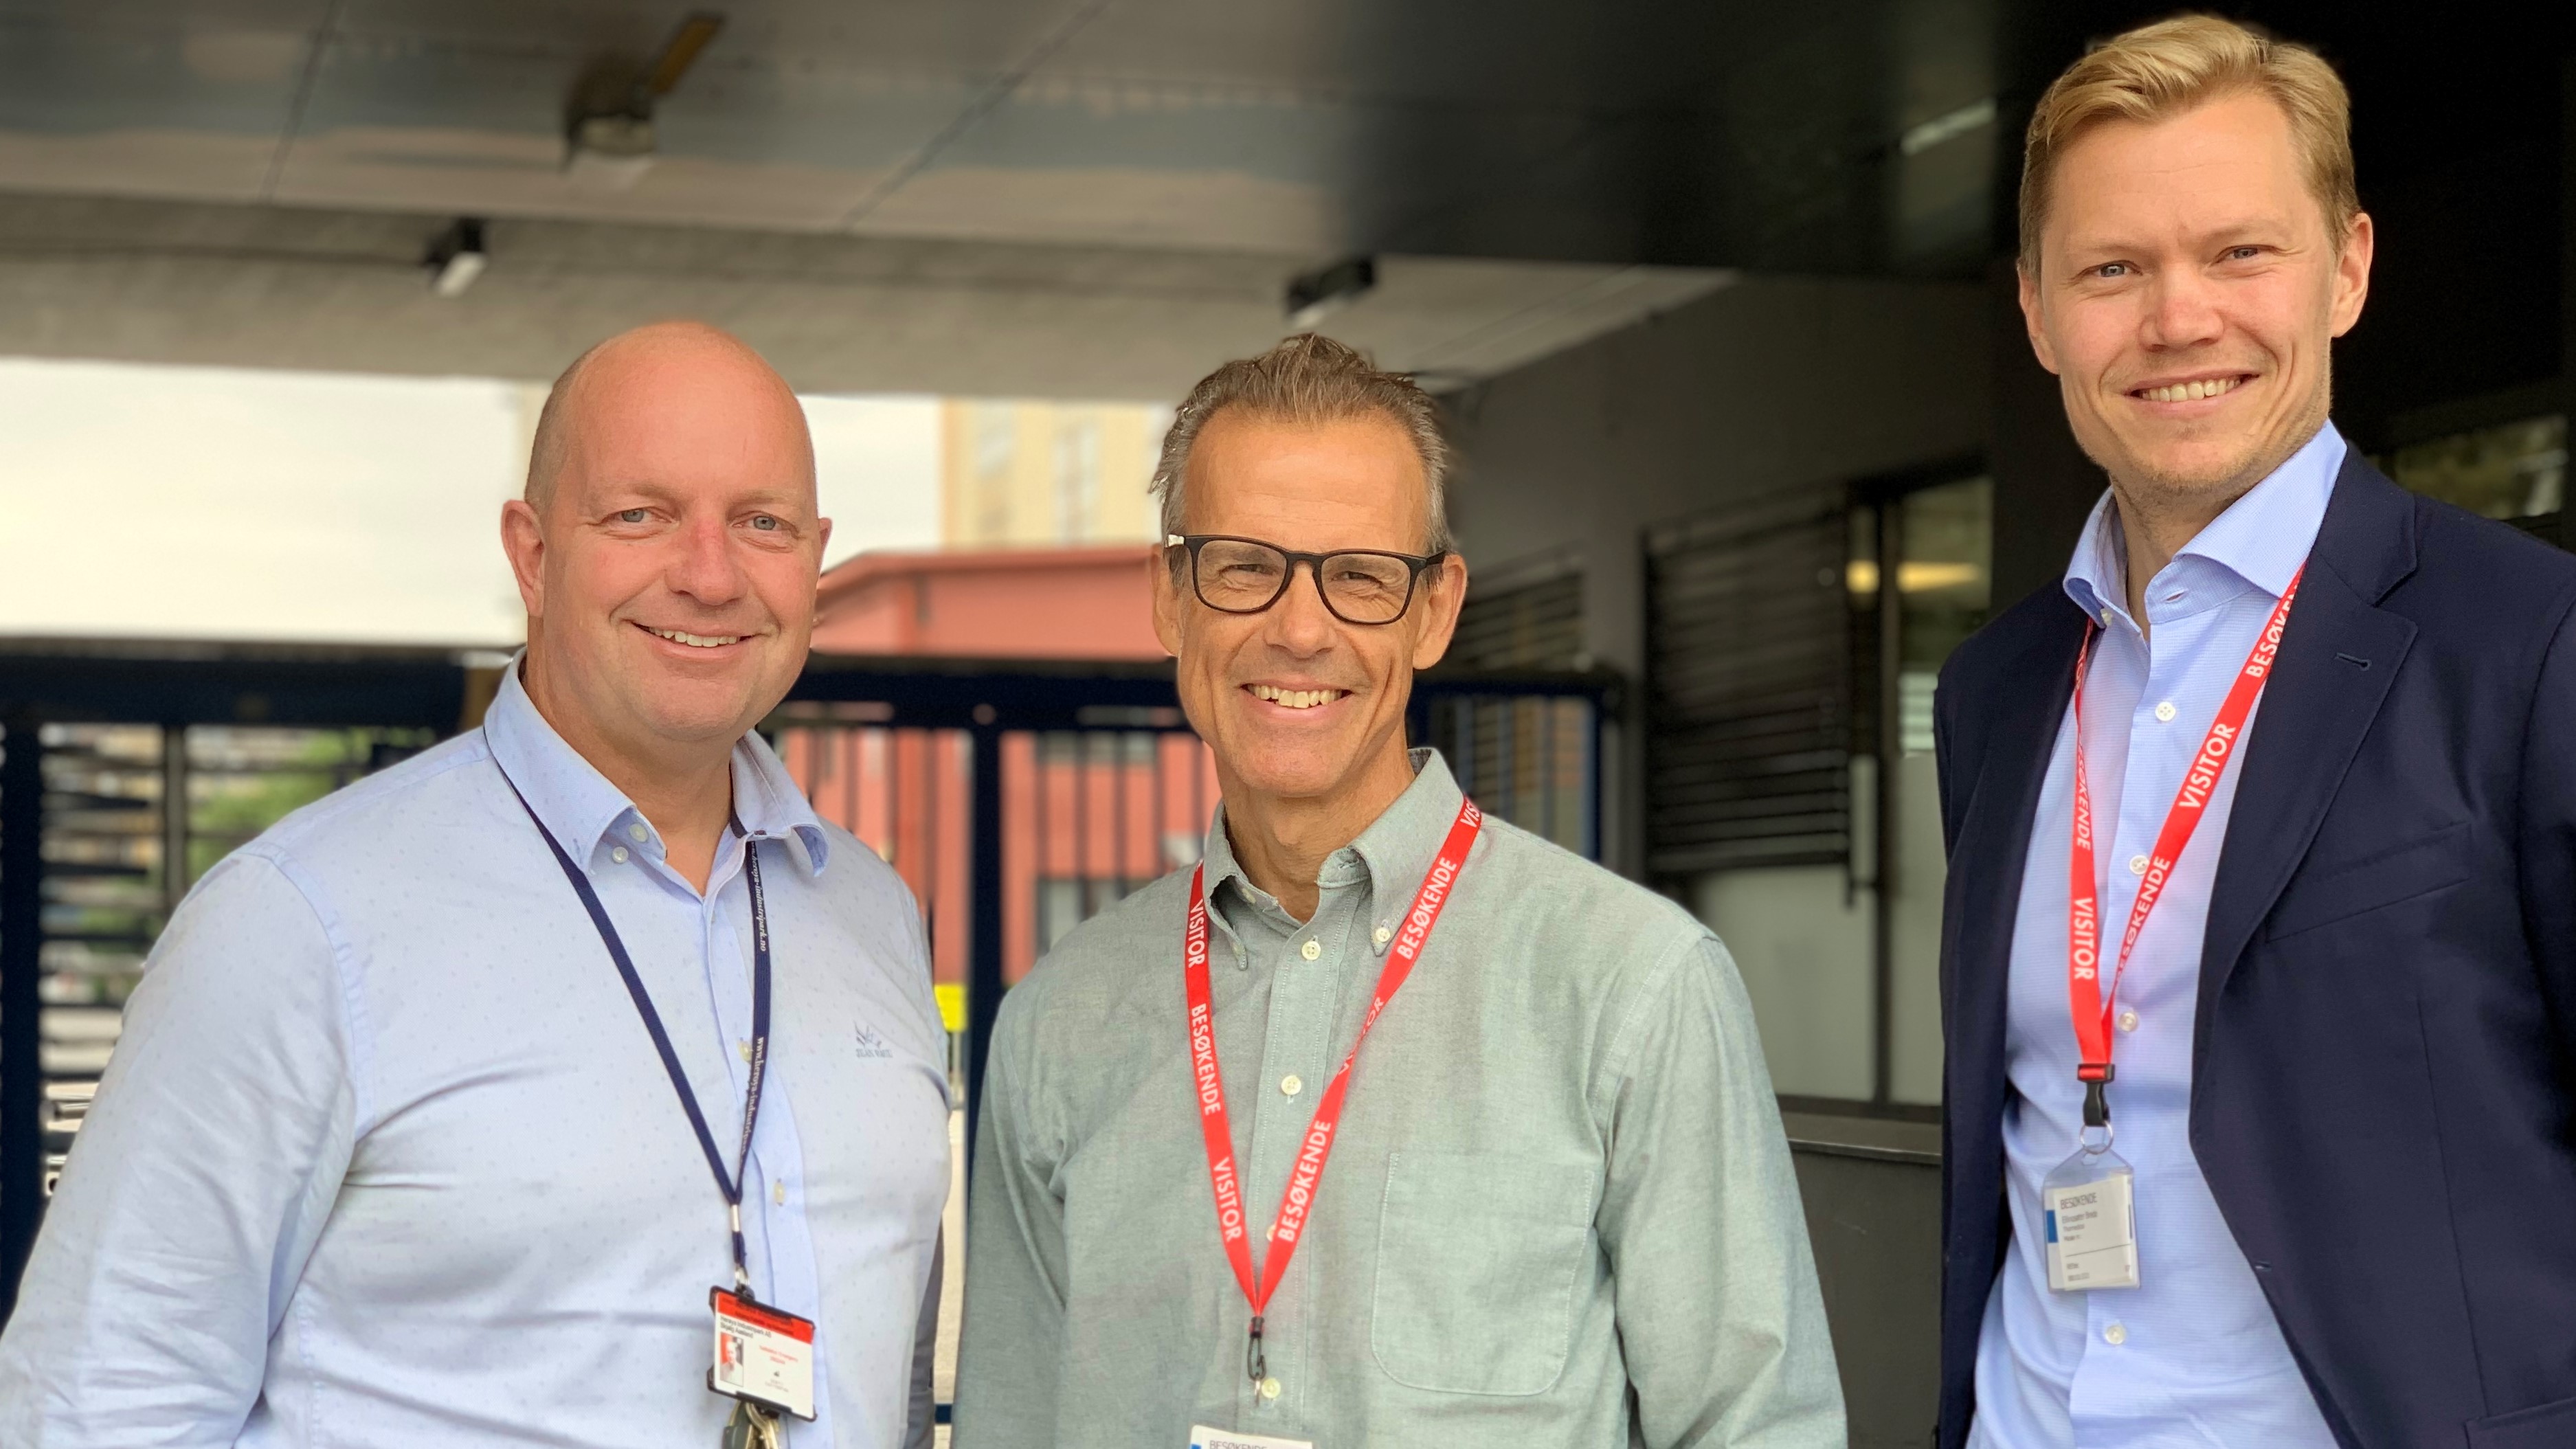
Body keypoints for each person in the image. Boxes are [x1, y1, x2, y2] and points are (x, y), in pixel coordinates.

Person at [0, 322, 950, 1447]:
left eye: (763, 523)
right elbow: (99, 1408)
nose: (708, 572)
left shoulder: (872, 915)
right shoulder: (299, 922)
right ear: (532, 553)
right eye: (639, 514)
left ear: (815, 559)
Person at [953, 334, 1842, 1449]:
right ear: (1170, 597)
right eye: (1243, 565)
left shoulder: (1631, 984)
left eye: (1359, 574)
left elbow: (1756, 1426)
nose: (1300, 625)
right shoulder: (1061, 1021)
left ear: (1434, 610)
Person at [1936, 16, 2576, 1449]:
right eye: (2113, 268)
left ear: (2346, 268)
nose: (2178, 320)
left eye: (2240, 252)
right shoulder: (1995, 690)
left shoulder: (2531, 645)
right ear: (2038, 312)